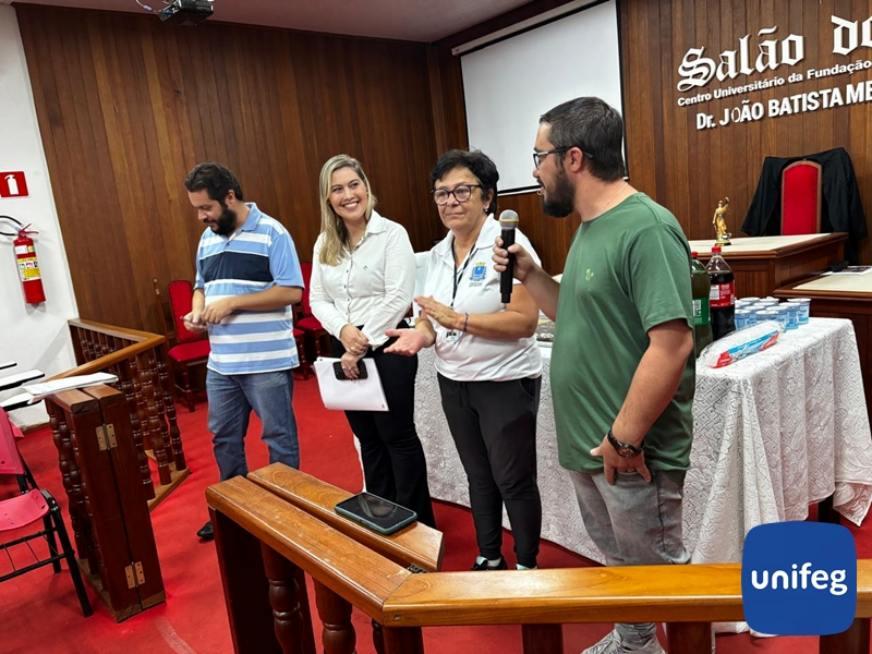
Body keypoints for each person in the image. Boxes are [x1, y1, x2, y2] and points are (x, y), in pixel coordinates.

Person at [493, 98, 695, 654]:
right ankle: (635, 643)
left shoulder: (646, 227)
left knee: (663, 580)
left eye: (539, 156)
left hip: (630, 451)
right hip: (594, 444)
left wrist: (623, 438)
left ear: (574, 158)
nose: (535, 171)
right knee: (620, 564)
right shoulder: (590, 227)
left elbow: (673, 344)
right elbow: (576, 315)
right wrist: (531, 275)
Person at [386, 149, 543, 570]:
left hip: (504, 382)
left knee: (513, 479)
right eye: (441, 193)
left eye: (462, 191)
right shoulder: (438, 252)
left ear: (487, 197)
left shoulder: (509, 245)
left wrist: (460, 320)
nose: (450, 201)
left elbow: (525, 322)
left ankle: (527, 566)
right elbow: (430, 315)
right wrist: (421, 334)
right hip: (454, 380)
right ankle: (489, 556)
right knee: (478, 475)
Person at [309, 154, 436, 528]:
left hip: (388, 345)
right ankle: (382, 519)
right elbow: (318, 298)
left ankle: (417, 527)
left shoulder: (392, 234)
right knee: (367, 438)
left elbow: (398, 296)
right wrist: (343, 332)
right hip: (344, 344)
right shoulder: (324, 243)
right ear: (328, 198)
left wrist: (359, 344)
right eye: (337, 189)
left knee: (397, 436)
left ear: (366, 187)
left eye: (354, 185)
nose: (348, 195)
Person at [182, 162, 304, 542]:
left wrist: (234, 303)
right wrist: (197, 310)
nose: (202, 217)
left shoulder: (273, 233)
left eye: (206, 208)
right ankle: (234, 510)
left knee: (278, 438)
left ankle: (286, 512)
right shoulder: (208, 238)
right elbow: (201, 285)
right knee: (224, 438)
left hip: (267, 360)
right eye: (197, 209)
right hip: (221, 364)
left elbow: (291, 291)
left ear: (230, 197)